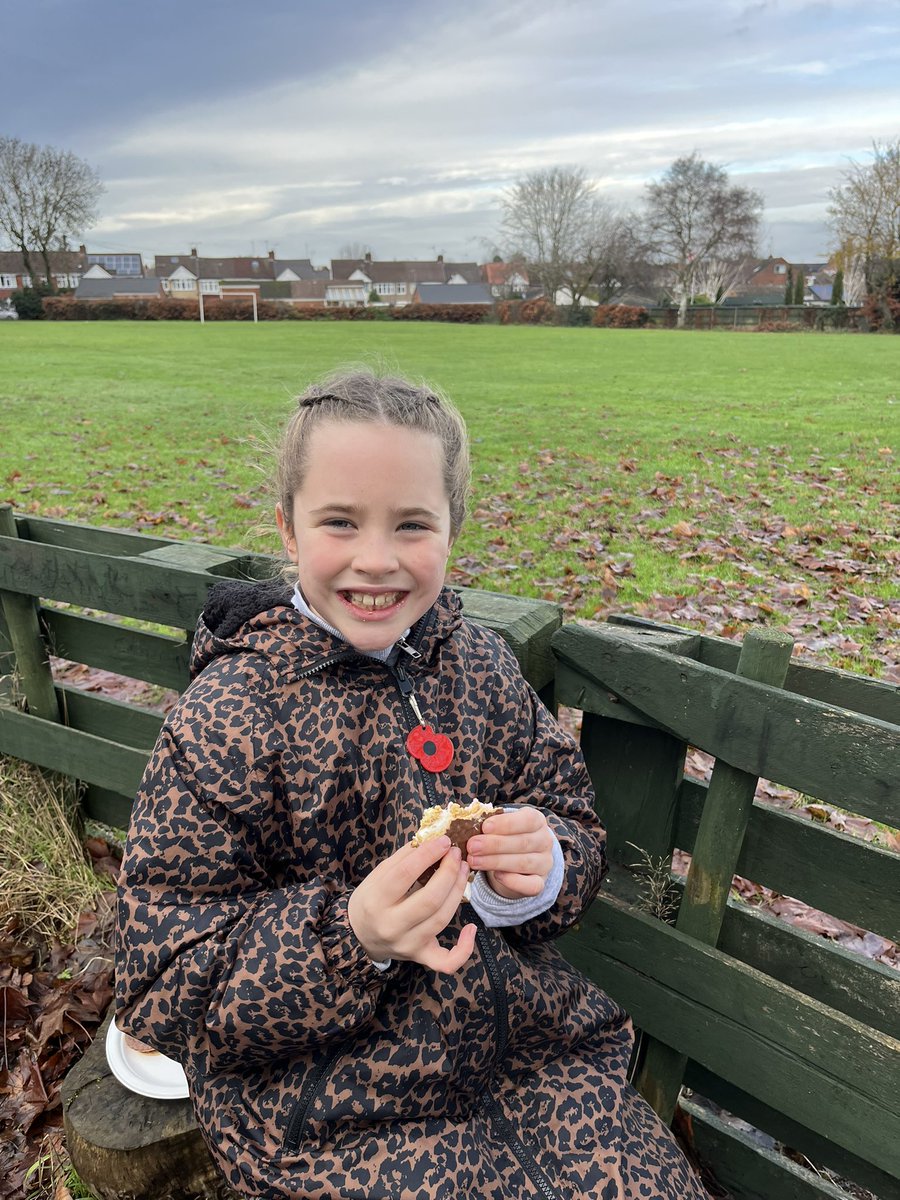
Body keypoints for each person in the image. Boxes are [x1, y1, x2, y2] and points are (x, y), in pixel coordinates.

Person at [116, 370, 708, 1200]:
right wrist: (348, 935)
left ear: (452, 531)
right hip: (326, 1111)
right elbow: (160, 985)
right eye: (340, 522)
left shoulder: (483, 669)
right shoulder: (228, 717)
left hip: (538, 1061)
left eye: (412, 525)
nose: (377, 559)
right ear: (288, 531)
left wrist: (541, 871)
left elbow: (570, 818)